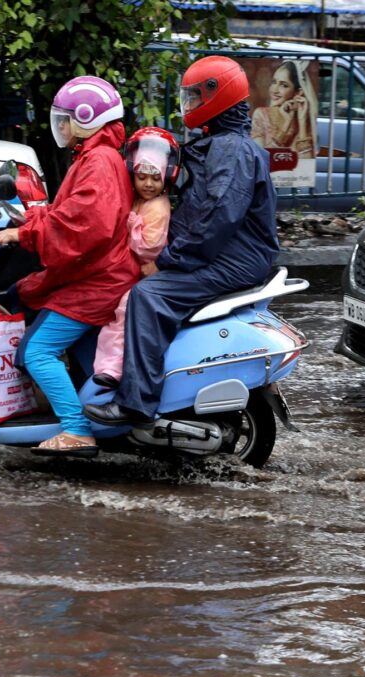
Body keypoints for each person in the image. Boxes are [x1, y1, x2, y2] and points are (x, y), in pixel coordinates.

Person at [84, 55, 279, 428]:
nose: (188, 105)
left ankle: (136, 405)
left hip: (231, 258)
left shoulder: (232, 150)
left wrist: (170, 259)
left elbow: (218, 216)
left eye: (194, 97)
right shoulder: (217, 144)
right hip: (226, 253)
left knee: (148, 297)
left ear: (215, 97)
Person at [0, 76, 138, 458]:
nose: (61, 127)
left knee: (35, 352)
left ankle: (76, 430)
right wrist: (32, 219)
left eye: (66, 119)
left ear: (87, 119)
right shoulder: (95, 156)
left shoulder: (99, 161)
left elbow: (82, 227)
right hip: (99, 272)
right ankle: (92, 417)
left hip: (98, 279)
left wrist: (24, 235)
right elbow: (70, 213)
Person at [91, 127, 179, 389]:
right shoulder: (139, 200)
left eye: (155, 177)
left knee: (123, 312)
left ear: (166, 176)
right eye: (142, 177)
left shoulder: (158, 207)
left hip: (144, 273)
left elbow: (148, 247)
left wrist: (129, 224)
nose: (148, 184)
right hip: (130, 269)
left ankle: (112, 370)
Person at [250, 60, 316, 159]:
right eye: (274, 82)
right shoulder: (261, 115)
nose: (274, 90)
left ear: (298, 92)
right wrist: (285, 126)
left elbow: (306, 165)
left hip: (296, 174)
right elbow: (261, 158)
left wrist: (302, 123)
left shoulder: (305, 120)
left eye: (283, 85)